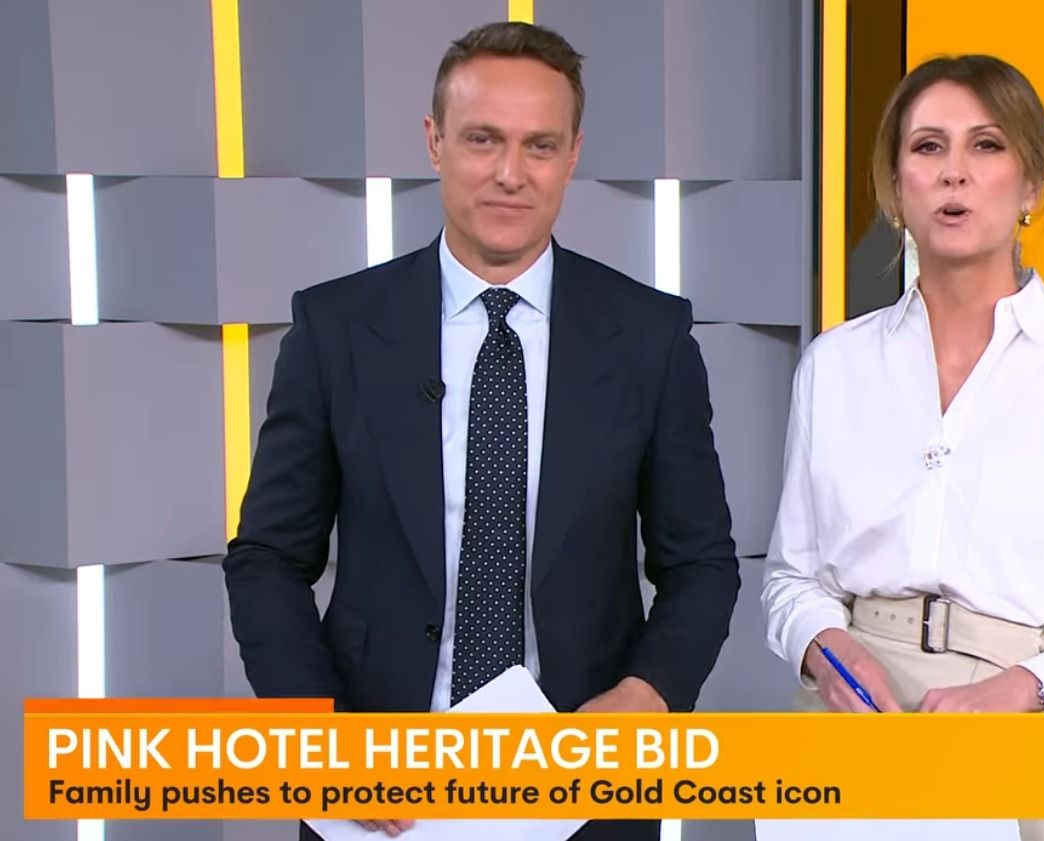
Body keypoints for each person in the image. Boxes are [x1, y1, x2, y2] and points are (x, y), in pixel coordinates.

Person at [223, 21, 740, 841]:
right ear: (434, 142)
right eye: (482, 139)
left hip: (579, 789)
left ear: (572, 155)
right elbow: (267, 558)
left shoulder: (650, 336)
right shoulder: (336, 327)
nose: (509, 172)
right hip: (377, 790)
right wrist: (321, 736)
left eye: (540, 145)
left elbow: (701, 562)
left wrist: (648, 692)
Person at [761, 54, 1044, 841]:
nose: (953, 173)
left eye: (985, 145)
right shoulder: (834, 367)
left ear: (1032, 186)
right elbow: (790, 577)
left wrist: (1029, 686)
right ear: (895, 187)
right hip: (864, 734)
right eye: (927, 147)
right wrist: (821, 644)